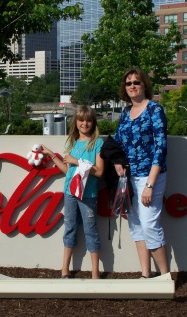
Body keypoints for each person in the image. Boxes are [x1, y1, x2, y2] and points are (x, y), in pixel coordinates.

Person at [113, 68, 169, 278]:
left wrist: (150, 185)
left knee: (149, 225)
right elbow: (118, 142)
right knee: (136, 226)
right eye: (128, 83)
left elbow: (161, 148)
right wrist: (117, 163)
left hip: (149, 176)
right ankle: (145, 274)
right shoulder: (125, 113)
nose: (133, 86)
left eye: (137, 82)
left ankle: (164, 276)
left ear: (145, 85)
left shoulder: (154, 110)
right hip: (129, 178)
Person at [42, 105, 104, 279]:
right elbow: (67, 170)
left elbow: (99, 172)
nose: (85, 124)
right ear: (75, 122)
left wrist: (77, 161)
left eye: (88, 120)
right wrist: (52, 155)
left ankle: (95, 272)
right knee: (69, 228)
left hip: (88, 194)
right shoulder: (72, 142)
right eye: (81, 120)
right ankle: (65, 269)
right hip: (70, 192)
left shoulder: (98, 143)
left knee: (90, 231)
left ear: (93, 122)